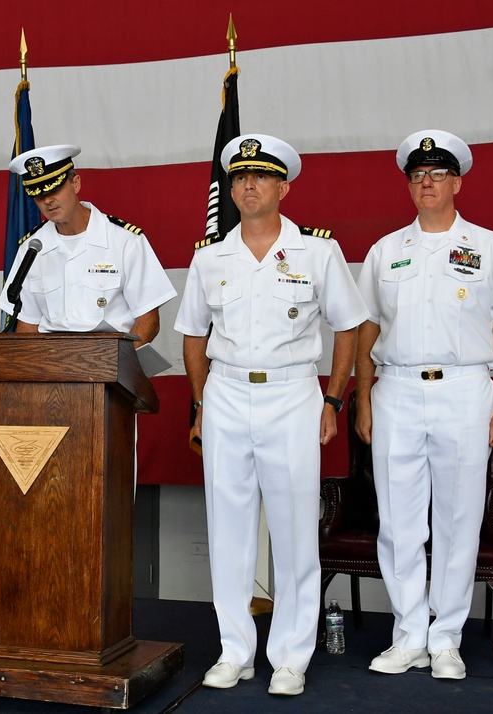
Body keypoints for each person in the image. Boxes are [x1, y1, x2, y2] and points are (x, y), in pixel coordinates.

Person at [175, 134, 368, 697]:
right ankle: (234, 650)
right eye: (239, 178)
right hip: (227, 396)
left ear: (284, 186)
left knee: (293, 532)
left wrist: (333, 400)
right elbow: (192, 334)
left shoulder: (317, 252)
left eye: (260, 176)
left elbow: (349, 325)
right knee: (228, 532)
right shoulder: (210, 257)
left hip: (292, 397)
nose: (248, 186)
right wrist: (202, 401)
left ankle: (289, 656)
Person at [355, 130, 493, 679]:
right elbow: (366, 330)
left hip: (464, 389)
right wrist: (362, 400)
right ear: (409, 184)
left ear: (457, 181)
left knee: (458, 521)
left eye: (436, 174)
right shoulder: (386, 251)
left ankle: (447, 636)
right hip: (398, 391)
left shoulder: (489, 246)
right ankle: (408, 633)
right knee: (400, 524)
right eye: (417, 175)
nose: (426, 182)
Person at [0, 145, 176, 343]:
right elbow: (27, 324)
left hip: (112, 359)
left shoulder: (125, 241)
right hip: (50, 364)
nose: (48, 200)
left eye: (54, 188)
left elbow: (148, 320)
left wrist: (119, 366)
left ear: (76, 184)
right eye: (38, 194)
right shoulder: (31, 249)